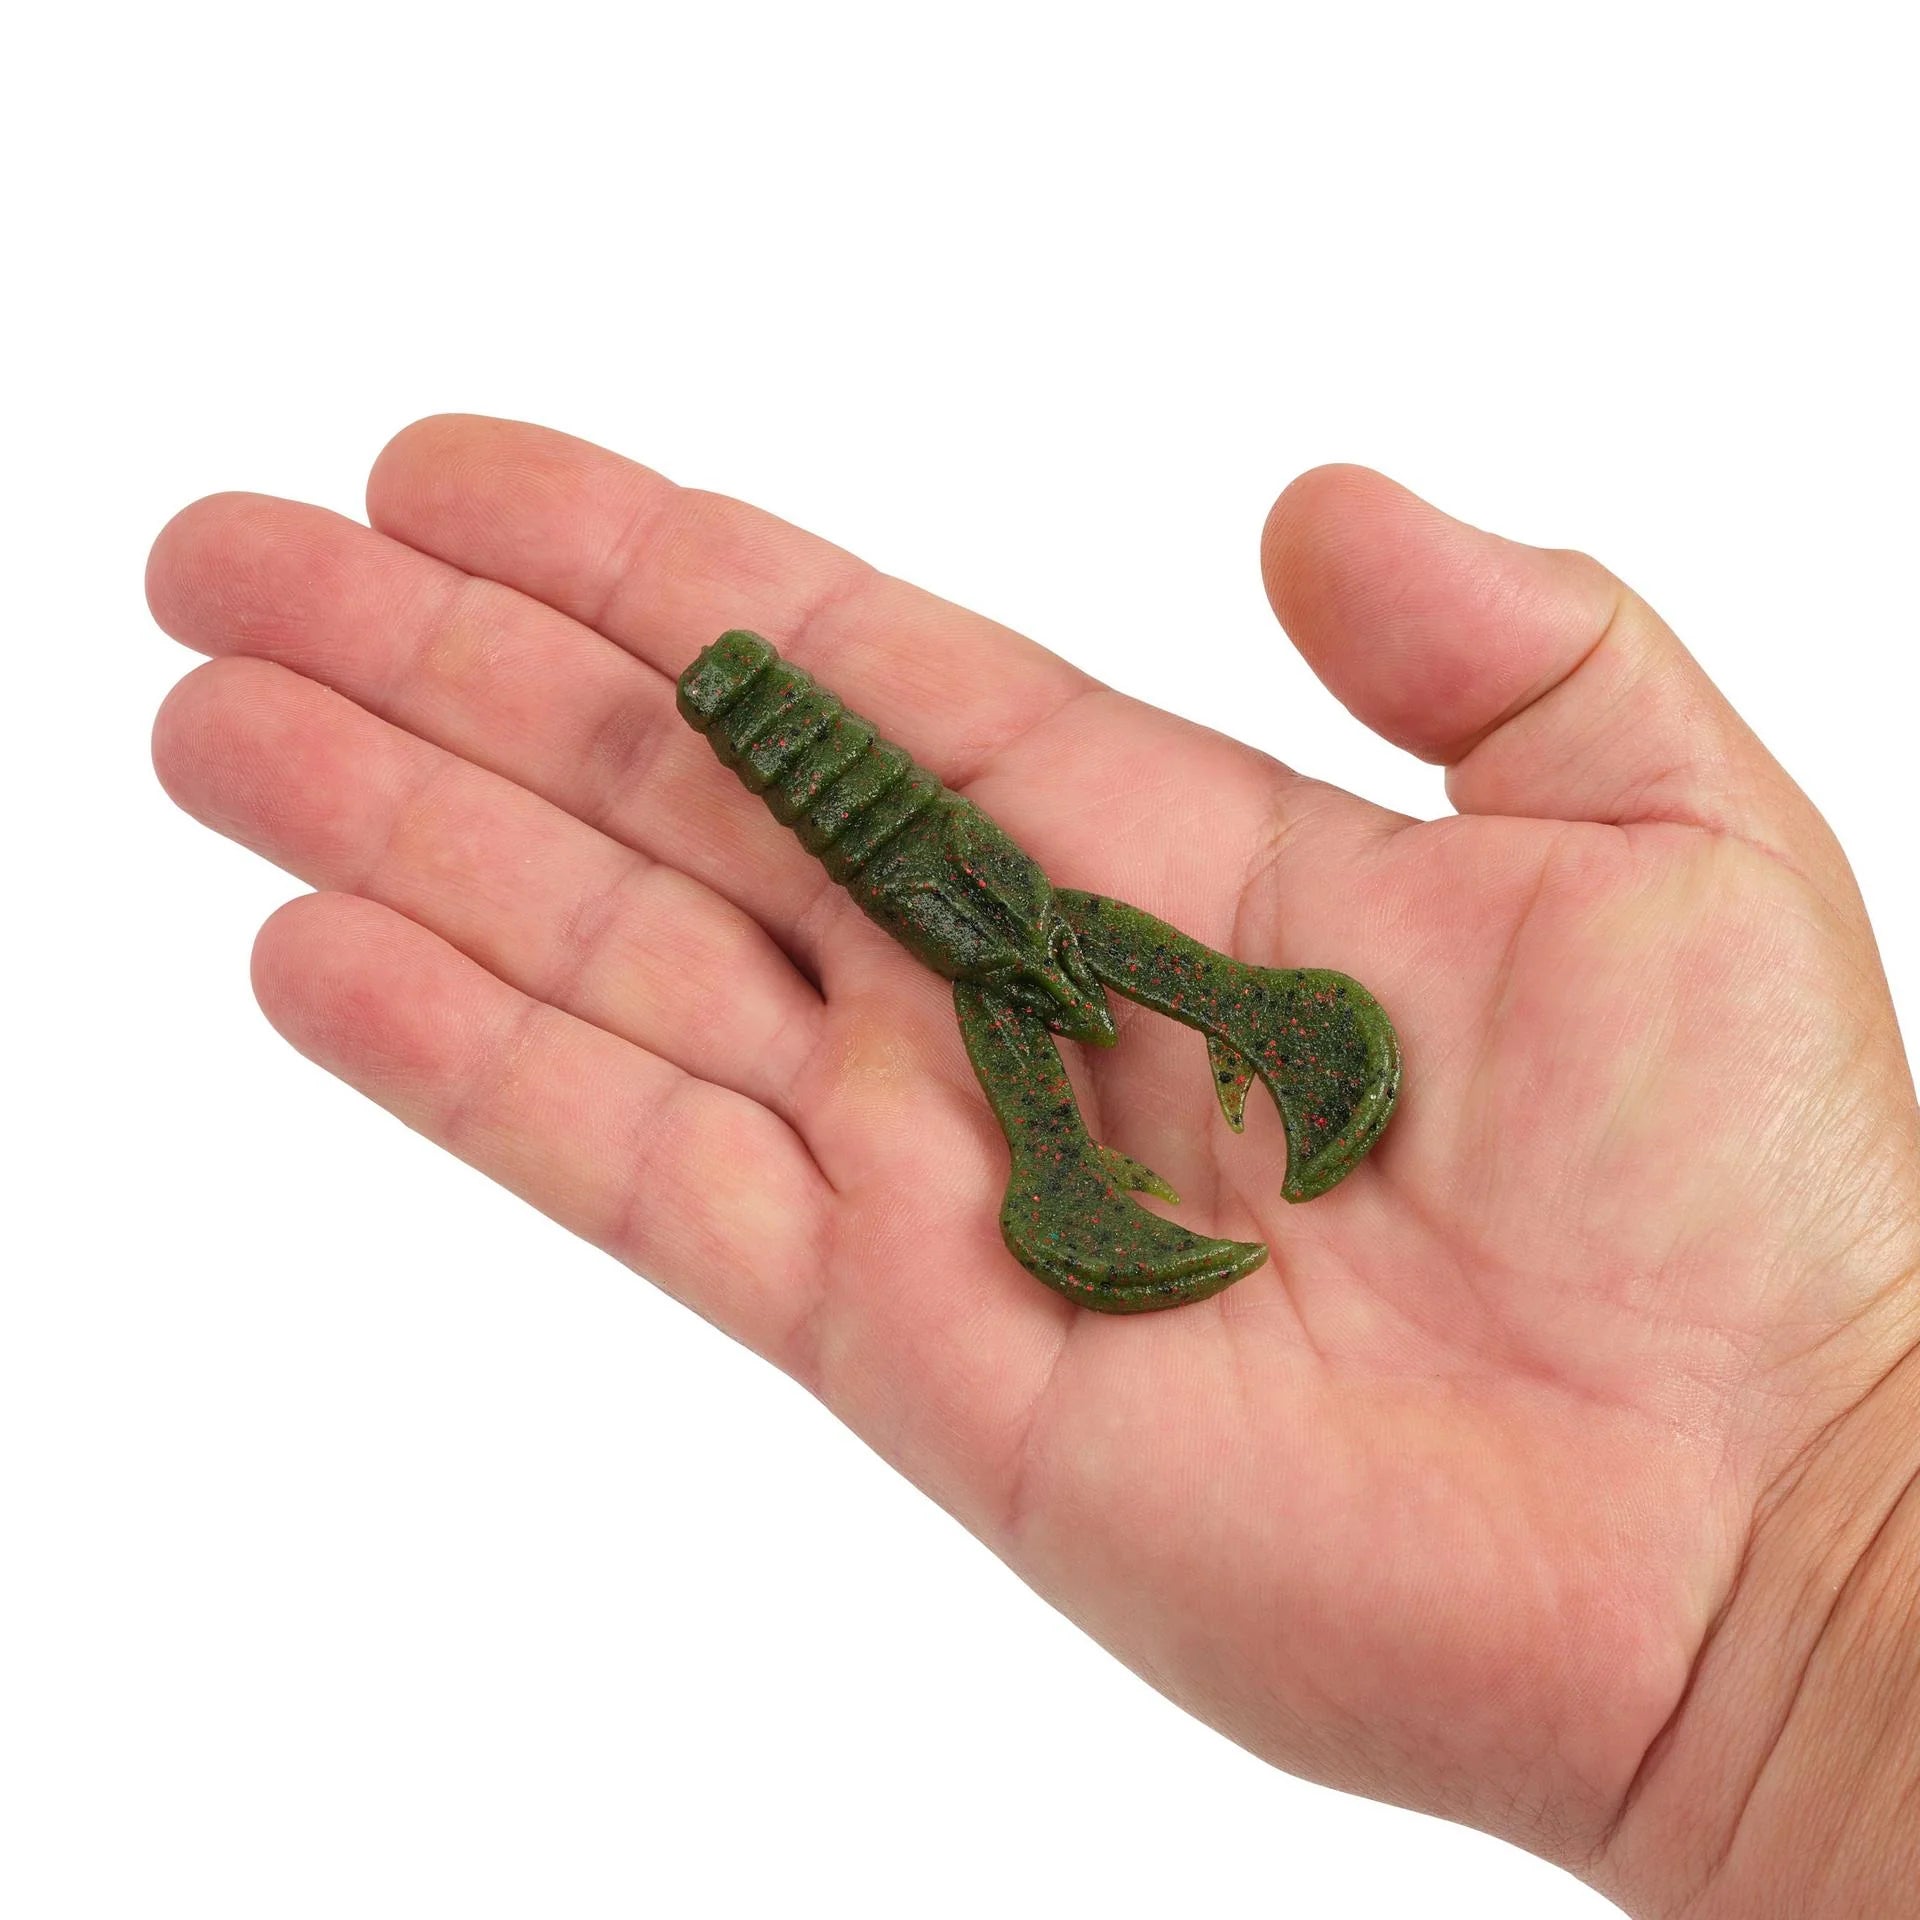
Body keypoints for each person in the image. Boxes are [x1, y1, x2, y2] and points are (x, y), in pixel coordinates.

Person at [146, 416, 1920, 1918]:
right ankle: (1104, 1129)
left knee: (1084, 985)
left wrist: (1819, 1557)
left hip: (1008, 903)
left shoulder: (1050, 927)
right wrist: (1793, 1646)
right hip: (937, 877)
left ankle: (1153, 1096)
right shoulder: (964, 945)